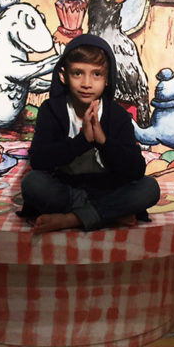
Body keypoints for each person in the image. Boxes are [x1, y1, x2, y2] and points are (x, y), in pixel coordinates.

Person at [17, 34, 160, 233]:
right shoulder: (51, 110)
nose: (87, 83)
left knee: (149, 188)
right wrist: (82, 140)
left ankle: (71, 219)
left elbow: (135, 170)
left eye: (96, 74)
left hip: (108, 188)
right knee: (33, 184)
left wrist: (102, 141)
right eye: (77, 73)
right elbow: (39, 161)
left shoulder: (117, 115)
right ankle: (109, 214)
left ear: (107, 79)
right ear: (63, 75)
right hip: (66, 189)